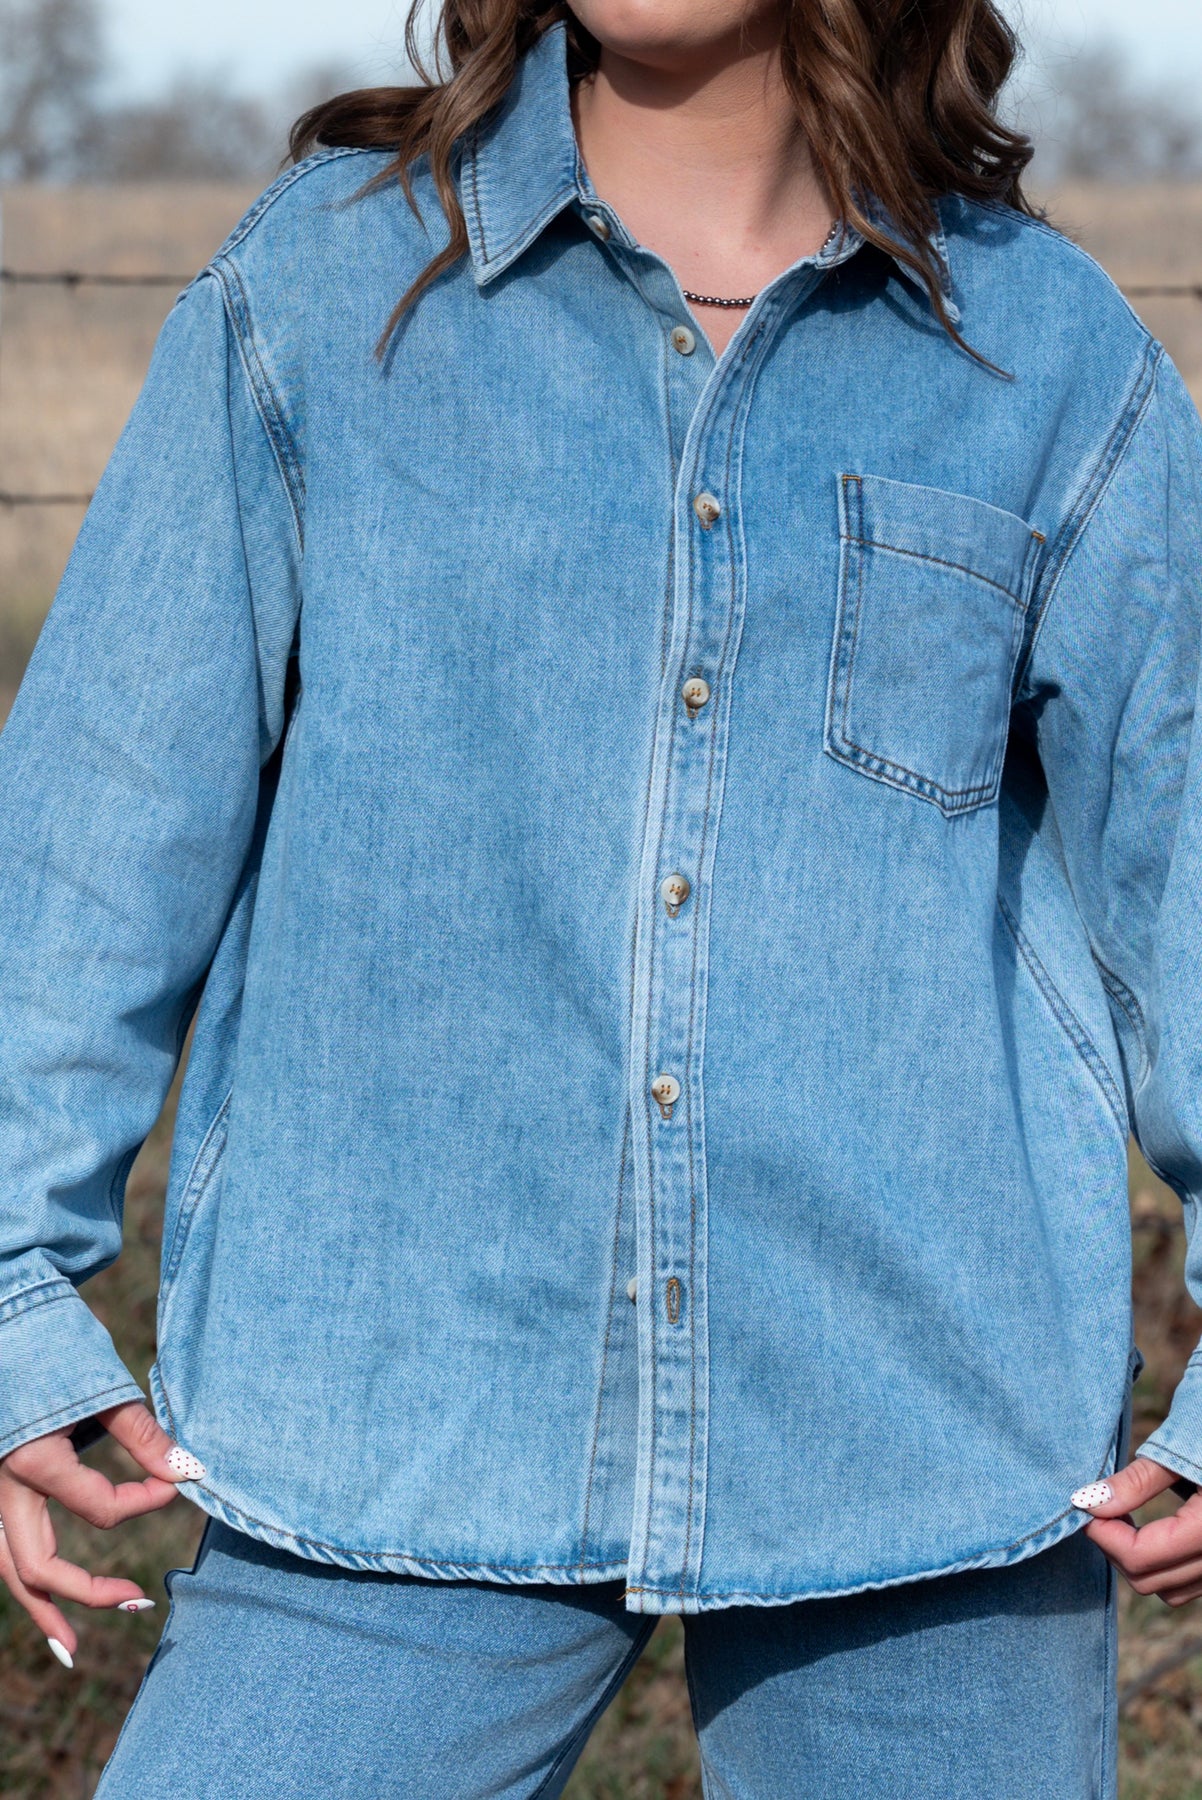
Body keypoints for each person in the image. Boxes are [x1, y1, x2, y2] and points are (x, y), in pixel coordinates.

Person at [2, 1, 1202, 1793]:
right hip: (398, 1411)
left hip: (923, 1446)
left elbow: (1183, 868)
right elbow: (96, 832)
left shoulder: (1045, 351)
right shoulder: (322, 293)